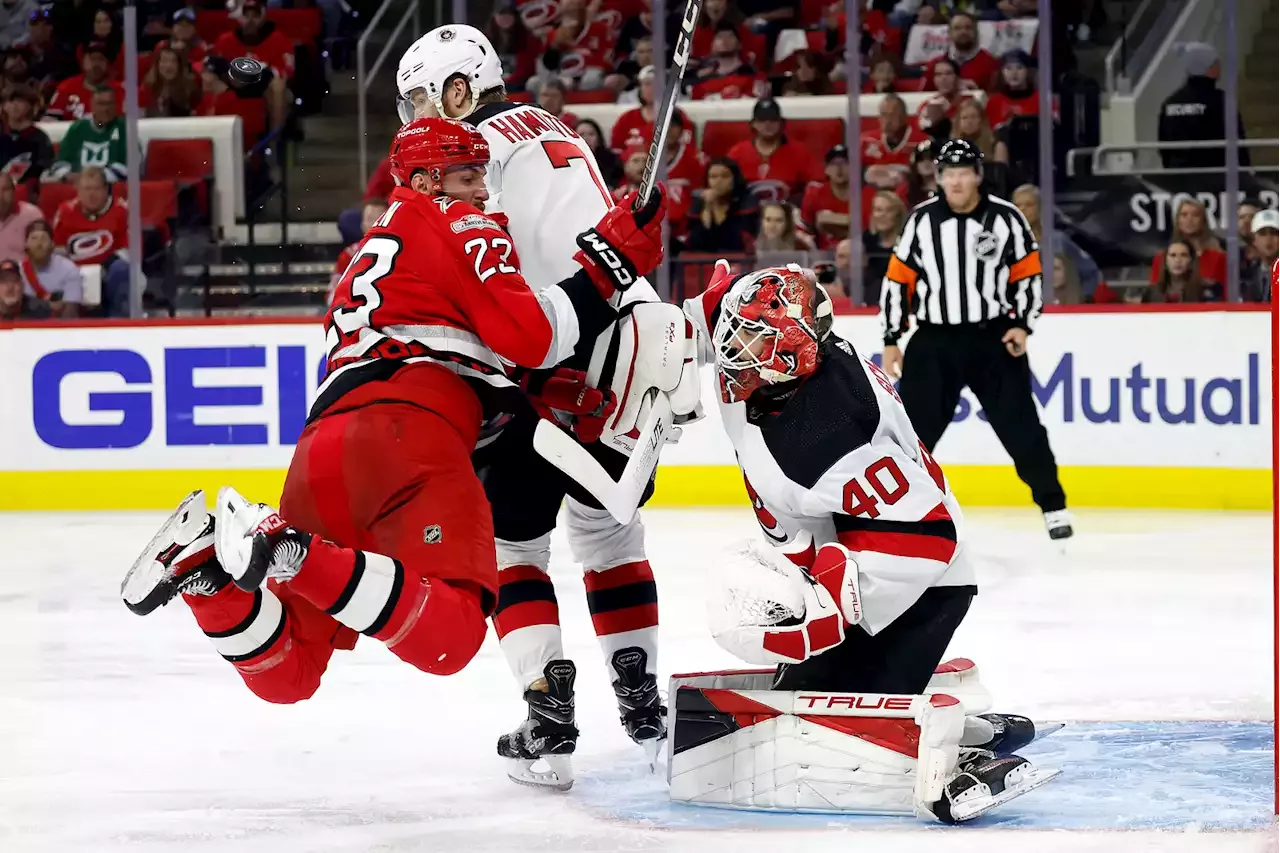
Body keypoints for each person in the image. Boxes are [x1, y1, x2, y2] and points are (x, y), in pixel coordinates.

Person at [120, 116, 667, 722]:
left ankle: (208, 581)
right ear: (430, 179)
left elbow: (466, 341)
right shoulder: (457, 218)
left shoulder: (371, 249)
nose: (482, 191)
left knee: (291, 675)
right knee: (453, 637)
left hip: (323, 443)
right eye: (468, 175)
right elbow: (533, 335)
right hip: (412, 427)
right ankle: (287, 548)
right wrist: (613, 258)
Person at [397, 25, 703, 788]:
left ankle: (549, 710)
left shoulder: (471, 155)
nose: (415, 119)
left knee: (514, 548)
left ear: (459, 90)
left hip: (546, 359)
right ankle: (642, 702)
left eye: (420, 99)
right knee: (610, 532)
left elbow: (483, 269)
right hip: (630, 349)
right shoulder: (557, 128)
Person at [676, 261, 1056, 822]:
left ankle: (959, 747)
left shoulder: (827, 432)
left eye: (753, 336)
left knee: (835, 733)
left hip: (921, 580)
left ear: (793, 350)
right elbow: (705, 321)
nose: (733, 350)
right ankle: (966, 722)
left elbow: (929, 535)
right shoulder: (774, 365)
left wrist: (833, 609)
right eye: (737, 330)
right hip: (850, 546)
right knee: (804, 698)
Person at [880, 139, 1071, 541]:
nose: (956, 182)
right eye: (948, 174)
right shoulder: (921, 221)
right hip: (934, 341)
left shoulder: (1006, 218)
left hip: (992, 339)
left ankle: (1053, 505)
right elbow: (899, 281)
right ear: (940, 178)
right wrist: (893, 337)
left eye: (963, 173)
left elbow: (1027, 274)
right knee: (912, 433)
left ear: (977, 176)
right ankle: (897, 513)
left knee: (1021, 426)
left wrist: (1022, 324)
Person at [52, 167, 130, 317]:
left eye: (96, 189)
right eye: (87, 189)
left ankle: (118, 326)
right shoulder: (65, 211)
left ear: (106, 189)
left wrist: (100, 271)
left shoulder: (122, 210)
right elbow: (58, 251)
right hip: (74, 274)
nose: (91, 194)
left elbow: (129, 252)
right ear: (78, 190)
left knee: (122, 270)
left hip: (110, 274)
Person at [1158, 42, 1249, 170]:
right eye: (1216, 63)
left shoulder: (1170, 103)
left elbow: (1164, 147)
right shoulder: (1221, 101)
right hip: (1215, 179)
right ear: (1209, 68)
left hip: (1178, 179)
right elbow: (1236, 142)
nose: (1220, 67)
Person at [1011, 183, 1101, 298]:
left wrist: (1078, 300)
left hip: (1056, 311)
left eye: (1029, 205)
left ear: (1039, 208)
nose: (1022, 210)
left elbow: (1092, 274)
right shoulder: (1003, 244)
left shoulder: (1058, 241)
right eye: (1017, 205)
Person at [726, 98, 822, 205]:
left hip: (786, 211)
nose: (767, 124)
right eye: (762, 120)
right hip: (745, 212)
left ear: (782, 123)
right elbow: (722, 181)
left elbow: (817, 183)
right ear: (753, 124)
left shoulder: (799, 151)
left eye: (773, 120)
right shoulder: (737, 152)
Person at [48, 87, 130, 183]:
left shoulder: (124, 129)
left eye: (110, 104)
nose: (106, 109)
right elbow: (61, 162)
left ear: (116, 105)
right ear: (92, 105)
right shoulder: (77, 129)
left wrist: (94, 178)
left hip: (111, 187)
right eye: (101, 104)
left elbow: (129, 168)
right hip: (76, 186)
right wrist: (66, 175)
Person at [686, 157, 759, 254]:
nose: (718, 181)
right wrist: (707, 208)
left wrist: (715, 206)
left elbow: (733, 243)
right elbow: (695, 244)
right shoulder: (699, 205)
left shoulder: (747, 203)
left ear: (735, 178)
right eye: (713, 176)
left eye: (725, 176)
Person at [1148, 198, 1226, 286]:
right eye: (1184, 215)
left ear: (1203, 221)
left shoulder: (1218, 257)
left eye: (1195, 215)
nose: (1189, 219)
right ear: (1178, 220)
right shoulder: (1162, 257)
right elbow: (1154, 293)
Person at [213, 0, 295, 80]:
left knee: (278, 84)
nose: (250, 21)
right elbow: (214, 68)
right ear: (239, 18)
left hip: (266, 85)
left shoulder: (279, 40)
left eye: (255, 16)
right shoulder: (226, 40)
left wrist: (266, 71)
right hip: (233, 85)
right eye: (246, 15)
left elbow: (288, 71)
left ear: (263, 19)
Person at [329, 198, 388, 302]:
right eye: (369, 219)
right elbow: (333, 295)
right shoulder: (349, 255)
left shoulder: (401, 254)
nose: (374, 224)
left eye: (379, 219)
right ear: (362, 224)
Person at [20, 218, 83, 315]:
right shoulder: (16, 272)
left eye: (43, 238)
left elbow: (71, 314)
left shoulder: (68, 269)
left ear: (52, 244)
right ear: (26, 244)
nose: (39, 244)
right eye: (34, 238)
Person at [44, 42, 122, 121]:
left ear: (107, 63)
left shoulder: (121, 91)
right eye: (92, 59)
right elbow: (49, 123)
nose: (96, 64)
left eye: (101, 59)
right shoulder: (66, 88)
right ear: (83, 61)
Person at [927, 11, 1000, 91]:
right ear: (949, 33)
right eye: (957, 28)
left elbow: (996, 99)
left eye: (968, 28)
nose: (963, 32)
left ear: (976, 32)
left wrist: (976, 93)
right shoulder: (935, 64)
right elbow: (922, 97)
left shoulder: (990, 63)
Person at [800, 143, 853, 250]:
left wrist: (830, 220)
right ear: (826, 169)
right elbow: (806, 228)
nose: (839, 168)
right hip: (823, 256)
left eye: (845, 163)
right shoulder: (815, 193)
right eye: (833, 164)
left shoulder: (866, 193)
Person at [0, 85, 53, 189]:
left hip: (28, 189)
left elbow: (45, 167)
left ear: (31, 106)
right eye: (9, 102)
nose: (14, 106)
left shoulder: (40, 138)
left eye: (20, 101)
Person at [1147, 239, 1223, 303]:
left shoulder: (1206, 290)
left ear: (1191, 261)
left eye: (1183, 255)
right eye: (1173, 255)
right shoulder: (1152, 292)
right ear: (1165, 261)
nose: (1178, 260)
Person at [916, 57, 974, 140]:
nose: (943, 78)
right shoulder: (927, 106)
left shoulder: (969, 102)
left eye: (948, 73)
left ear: (957, 77)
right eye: (938, 74)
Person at [862, 189, 906, 296]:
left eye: (889, 210)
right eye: (878, 210)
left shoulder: (907, 242)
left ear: (898, 215)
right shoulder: (865, 241)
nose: (883, 215)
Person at [985, 50, 1039, 129]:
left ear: (1028, 71)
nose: (1014, 73)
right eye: (1008, 68)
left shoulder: (1041, 100)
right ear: (1002, 72)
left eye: (1019, 68)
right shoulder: (993, 102)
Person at [140, 46, 198, 117]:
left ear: (179, 66)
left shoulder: (190, 90)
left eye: (173, 61)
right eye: (164, 61)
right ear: (157, 65)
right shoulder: (147, 88)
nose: (169, 66)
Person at [0, 172, 43, 263]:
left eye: (5, 190)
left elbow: (42, 254)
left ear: (14, 191)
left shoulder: (32, 215)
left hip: (23, 274)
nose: (0, 197)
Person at [1244, 209, 1280, 302]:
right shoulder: (1247, 273)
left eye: (1274, 233)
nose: (1268, 239)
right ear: (1254, 240)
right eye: (1263, 233)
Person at [575, 118, 622, 189]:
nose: (586, 138)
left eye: (591, 134)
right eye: (581, 134)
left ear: (599, 138)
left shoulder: (612, 161)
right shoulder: (568, 163)